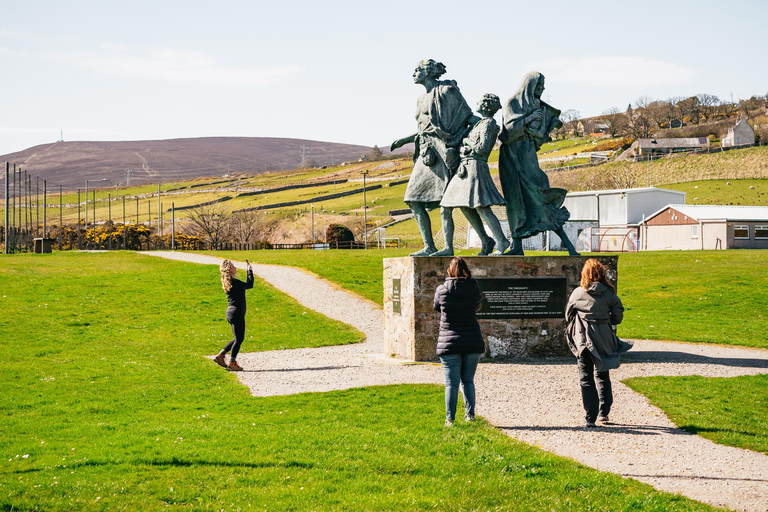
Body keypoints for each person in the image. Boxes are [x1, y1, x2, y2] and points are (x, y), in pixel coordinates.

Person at [391, 59, 475, 257]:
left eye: (417, 70)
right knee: (413, 200)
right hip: (426, 152)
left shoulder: (447, 91)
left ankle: (455, 246)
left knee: (451, 201)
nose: (413, 73)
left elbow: (466, 116)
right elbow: (424, 129)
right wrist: (405, 140)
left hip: (443, 151)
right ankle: (429, 245)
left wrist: (484, 127)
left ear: (428, 72)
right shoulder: (421, 99)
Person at [498, 71, 579, 255]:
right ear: (529, 86)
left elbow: (540, 136)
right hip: (511, 157)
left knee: (540, 196)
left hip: (528, 156)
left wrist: (545, 126)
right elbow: (508, 132)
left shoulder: (539, 106)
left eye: (542, 86)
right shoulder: (512, 103)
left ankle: (568, 245)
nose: (542, 89)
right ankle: (517, 246)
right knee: (514, 200)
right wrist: (529, 119)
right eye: (539, 85)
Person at [441, 93, 510, 255]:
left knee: (481, 206)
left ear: (485, 105)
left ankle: (502, 241)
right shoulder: (479, 124)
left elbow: (482, 148)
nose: (476, 103)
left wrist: (466, 142)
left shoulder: (489, 124)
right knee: (450, 205)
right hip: (464, 167)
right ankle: (485, 240)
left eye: (479, 101)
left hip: (475, 167)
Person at [565, 259, 631, 427]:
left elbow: (568, 315)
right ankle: (603, 412)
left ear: (584, 274)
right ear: (602, 274)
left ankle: (590, 417)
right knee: (602, 373)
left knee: (585, 377)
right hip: (604, 338)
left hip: (583, 340)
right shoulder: (610, 294)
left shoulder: (578, 293)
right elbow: (618, 317)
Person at [433, 257, 485, 426]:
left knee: (451, 384)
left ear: (450, 270)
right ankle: (470, 415)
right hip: (471, 340)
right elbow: (478, 305)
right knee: (468, 381)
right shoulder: (473, 288)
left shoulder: (441, 290)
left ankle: (450, 418)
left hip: (449, 342)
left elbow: (436, 307)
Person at [214, 259, 254, 372]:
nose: (235, 268)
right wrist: (249, 271)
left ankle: (221, 356)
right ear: (229, 269)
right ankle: (232, 362)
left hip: (232, 313)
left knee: (237, 338)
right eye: (233, 266)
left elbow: (246, 285)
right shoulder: (233, 282)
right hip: (236, 313)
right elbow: (249, 285)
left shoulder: (230, 282)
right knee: (239, 339)